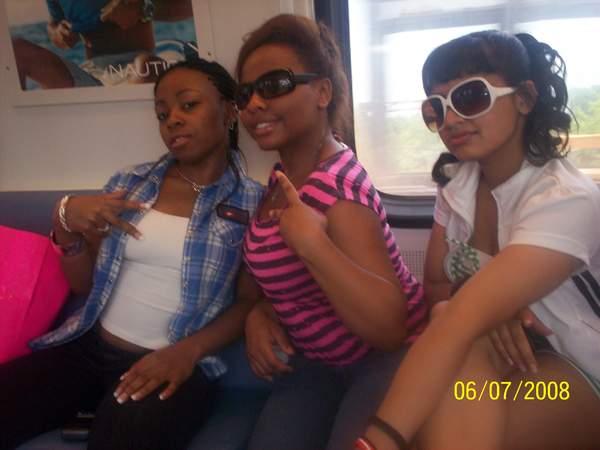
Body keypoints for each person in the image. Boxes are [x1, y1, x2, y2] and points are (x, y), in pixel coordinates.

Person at [0, 57, 263, 450]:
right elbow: (84, 284)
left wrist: (187, 352)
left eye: (188, 105)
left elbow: (248, 301)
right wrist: (65, 224)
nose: (172, 120)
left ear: (228, 112)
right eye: (162, 113)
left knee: (123, 437)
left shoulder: (253, 203)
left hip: (174, 363)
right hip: (89, 350)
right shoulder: (130, 183)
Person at [358, 30, 600, 450]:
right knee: (459, 351)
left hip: (573, 369)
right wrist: (488, 312)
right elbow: (438, 292)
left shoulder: (566, 198)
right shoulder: (457, 188)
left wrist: (377, 440)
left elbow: (461, 316)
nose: (450, 120)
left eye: (471, 97)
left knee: (444, 418)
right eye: (437, 108)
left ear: (524, 98)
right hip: (494, 359)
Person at [235, 14, 429, 450]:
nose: (254, 104)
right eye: (245, 93)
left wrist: (314, 246)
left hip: (382, 358)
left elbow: (388, 328)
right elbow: (277, 278)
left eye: (275, 84)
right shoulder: (284, 175)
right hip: (318, 363)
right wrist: (259, 313)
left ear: (322, 92)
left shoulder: (338, 189)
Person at [12, 0, 194, 89]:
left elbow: (192, 5)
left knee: (146, 66)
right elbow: (53, 24)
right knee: (15, 50)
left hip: (140, 67)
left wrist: (143, 9)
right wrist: (58, 33)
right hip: (90, 76)